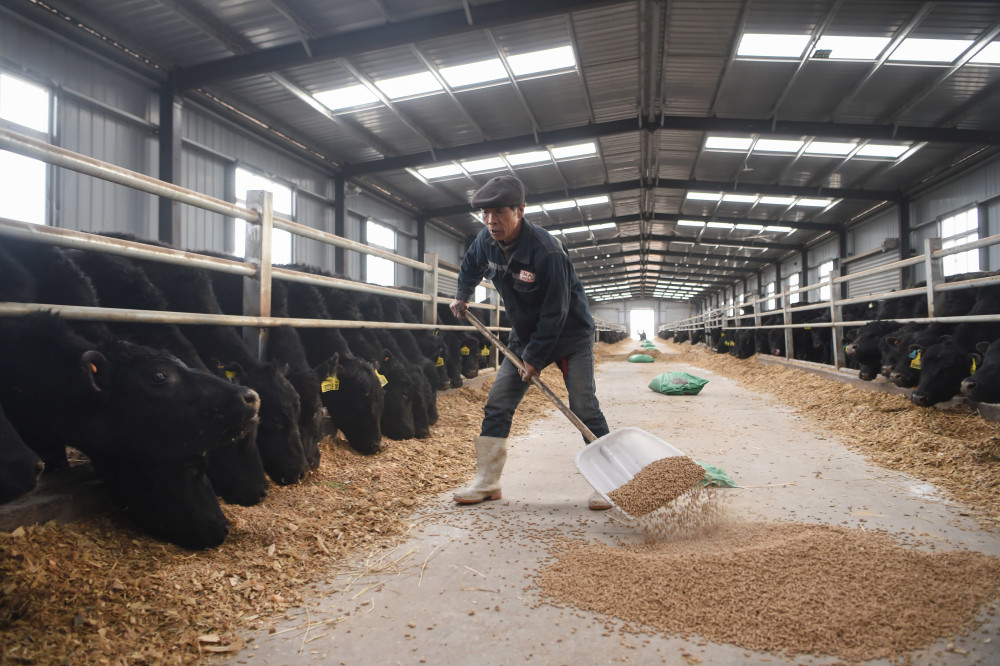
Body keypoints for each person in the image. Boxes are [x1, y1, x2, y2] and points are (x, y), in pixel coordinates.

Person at [449, 175, 612, 510]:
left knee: (583, 405)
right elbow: (470, 267)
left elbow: (556, 312)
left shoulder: (547, 251)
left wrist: (535, 358)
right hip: (523, 336)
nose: (491, 221)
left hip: (569, 336)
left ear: (520, 210)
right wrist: (462, 296)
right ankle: (487, 482)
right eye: (486, 214)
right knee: (497, 402)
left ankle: (609, 481)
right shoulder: (486, 240)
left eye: (499, 213)